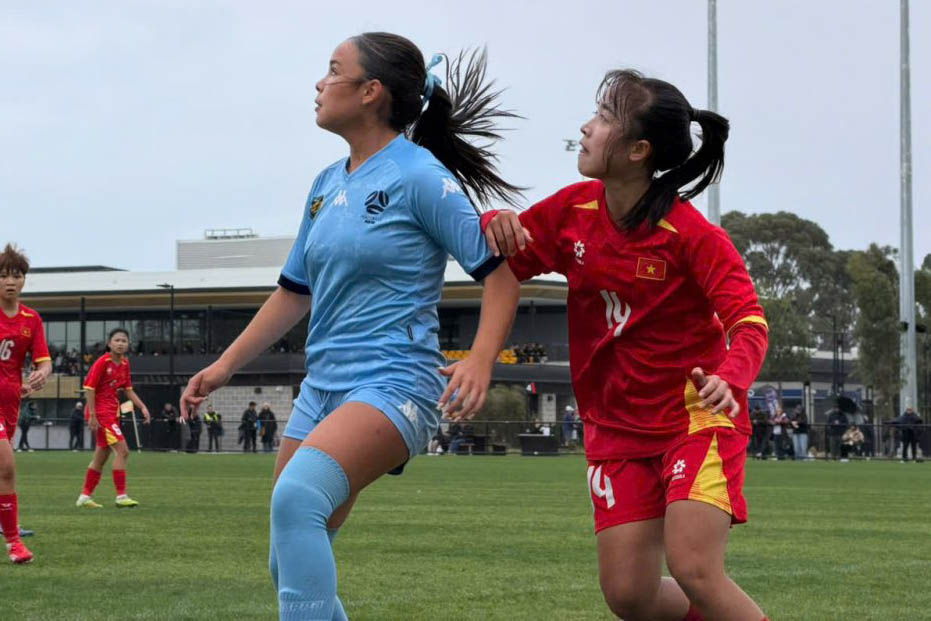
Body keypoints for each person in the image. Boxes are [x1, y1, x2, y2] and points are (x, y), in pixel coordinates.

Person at [181, 31, 521, 618]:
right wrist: (223, 366)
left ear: (370, 92)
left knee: (296, 502)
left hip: (394, 384)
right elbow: (294, 292)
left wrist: (482, 358)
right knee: (285, 561)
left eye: (332, 70)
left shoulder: (420, 177)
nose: (319, 83)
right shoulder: (325, 184)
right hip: (323, 389)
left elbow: (500, 273)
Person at [481, 69, 770, 620]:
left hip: (695, 420)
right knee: (629, 595)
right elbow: (503, 259)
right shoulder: (573, 211)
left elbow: (749, 320)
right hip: (614, 427)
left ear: (639, 150)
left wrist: (730, 378)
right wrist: (495, 221)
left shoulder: (693, 236)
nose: (587, 128)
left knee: (695, 568)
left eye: (605, 117)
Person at [0, 244, 51, 563]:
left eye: (15, 275)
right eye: (3, 274)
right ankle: (14, 543)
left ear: (24, 281)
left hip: (10, 404)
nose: (9, 280)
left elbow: (44, 361)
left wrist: (42, 373)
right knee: (6, 467)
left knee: (2, 472)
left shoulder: (32, 319)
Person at [75, 328, 151, 509]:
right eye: (117, 340)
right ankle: (121, 496)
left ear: (128, 345)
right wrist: (92, 415)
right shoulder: (102, 362)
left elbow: (128, 389)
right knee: (123, 451)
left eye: (124, 340)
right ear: (109, 343)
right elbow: (90, 389)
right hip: (101, 414)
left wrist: (142, 407)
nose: (120, 343)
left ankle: (85, 497)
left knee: (101, 457)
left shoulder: (125, 364)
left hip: (112, 413)